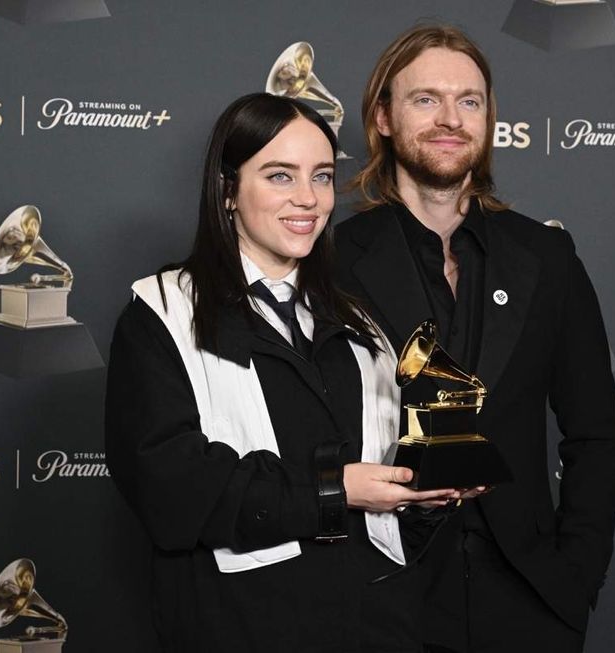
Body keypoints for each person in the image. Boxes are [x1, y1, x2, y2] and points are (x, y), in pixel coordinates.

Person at [105, 92, 456, 653]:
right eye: (278, 176)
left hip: (373, 627)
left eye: (320, 176)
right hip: (238, 627)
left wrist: (424, 492)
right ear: (227, 191)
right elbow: (169, 489)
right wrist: (332, 491)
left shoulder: (359, 320)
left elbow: (386, 485)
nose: (307, 199)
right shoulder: (162, 313)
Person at [333, 25, 615, 653]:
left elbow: (596, 430)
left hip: (530, 597)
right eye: (425, 99)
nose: (451, 119)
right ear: (382, 117)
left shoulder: (547, 255)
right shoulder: (333, 261)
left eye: (470, 101)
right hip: (383, 599)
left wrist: (576, 575)